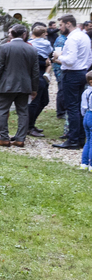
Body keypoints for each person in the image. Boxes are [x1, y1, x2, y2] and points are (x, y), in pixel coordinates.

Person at [0, 24, 41, 148]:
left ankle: (4, 138)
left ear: (11, 34)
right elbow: (35, 72)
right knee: (23, 112)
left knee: (1, 110)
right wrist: (34, 89)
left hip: (5, 85)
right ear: (24, 34)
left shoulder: (4, 47)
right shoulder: (32, 49)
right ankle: (20, 139)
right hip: (24, 86)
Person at [53, 14, 91, 150]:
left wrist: (59, 56)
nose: (60, 28)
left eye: (61, 25)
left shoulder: (73, 38)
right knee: (79, 107)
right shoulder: (84, 36)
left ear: (68, 24)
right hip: (82, 72)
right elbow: (90, 57)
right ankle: (80, 138)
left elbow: (70, 60)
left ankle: (73, 139)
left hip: (72, 73)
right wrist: (83, 68)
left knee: (72, 107)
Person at [27, 24, 53, 138]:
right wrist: (45, 63)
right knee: (35, 101)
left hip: (42, 73)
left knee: (44, 100)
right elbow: (33, 61)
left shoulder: (32, 43)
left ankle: (31, 123)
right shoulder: (32, 44)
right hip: (37, 74)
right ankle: (29, 126)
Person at [81, 72, 92, 170]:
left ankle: (84, 163)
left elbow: (83, 107)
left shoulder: (85, 92)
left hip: (87, 115)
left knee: (88, 140)